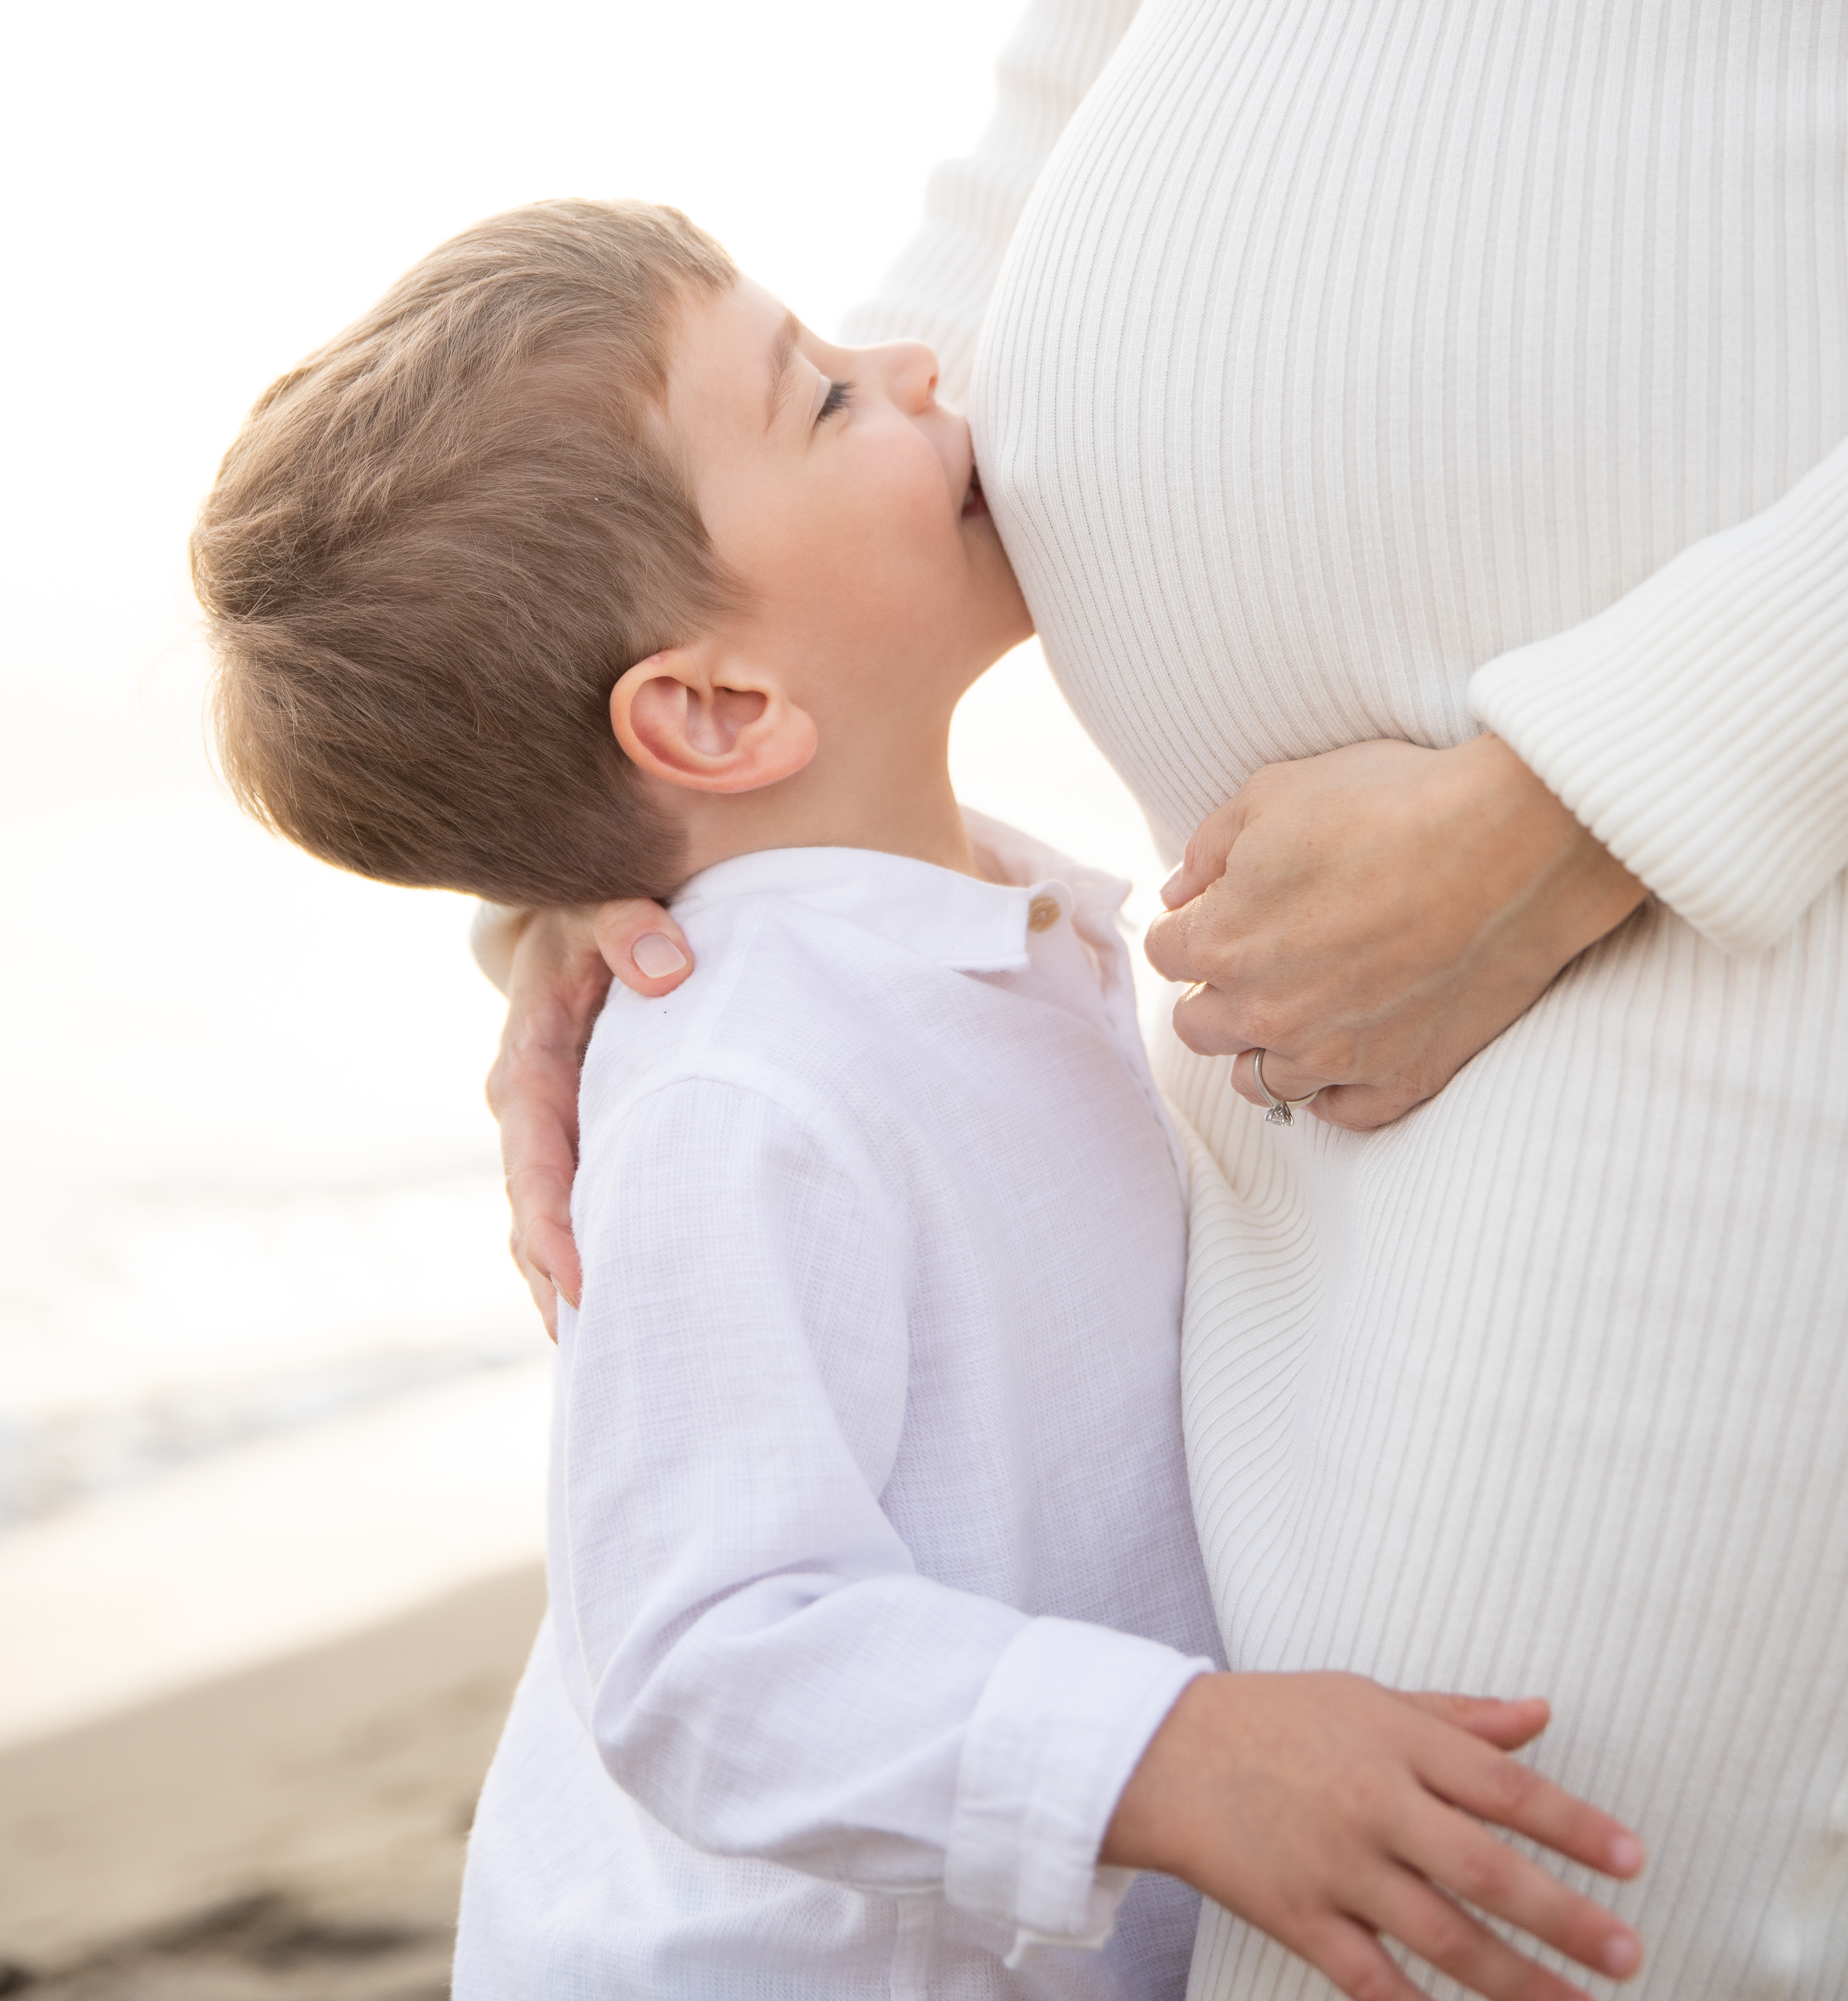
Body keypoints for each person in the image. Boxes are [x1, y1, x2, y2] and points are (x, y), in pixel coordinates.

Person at [487, 0, 1848, 1992]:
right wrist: (599, 812)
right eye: (825, 396)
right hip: (1304, 1050)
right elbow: (1073, 78)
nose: (901, 387)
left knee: (1543, 1898)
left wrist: (1612, 788)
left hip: (1732, 916)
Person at [190, 198, 1647, 2001]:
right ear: (717, 712)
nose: (912, 362)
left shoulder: (972, 935)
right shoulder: (743, 1088)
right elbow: (704, 1654)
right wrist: (1169, 1758)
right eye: (820, 394)